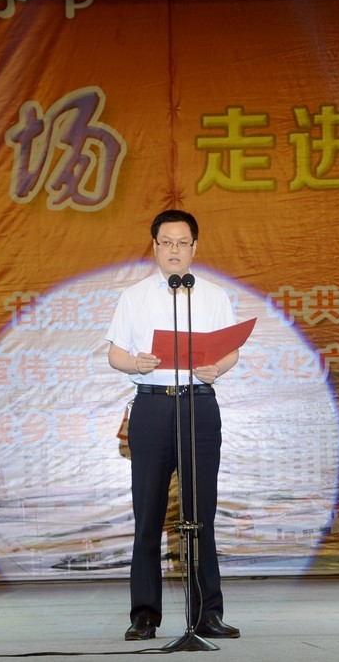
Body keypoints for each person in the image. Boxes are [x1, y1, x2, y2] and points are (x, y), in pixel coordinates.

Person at [106, 209, 241, 641]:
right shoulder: (134, 297)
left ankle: (207, 613)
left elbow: (230, 350)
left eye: (183, 243)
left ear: (195, 247)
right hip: (152, 406)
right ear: (155, 247)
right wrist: (136, 362)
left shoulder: (215, 296)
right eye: (166, 242)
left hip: (199, 404)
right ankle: (144, 614)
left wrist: (216, 368)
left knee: (201, 513)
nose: (174, 250)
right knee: (148, 513)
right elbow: (115, 354)